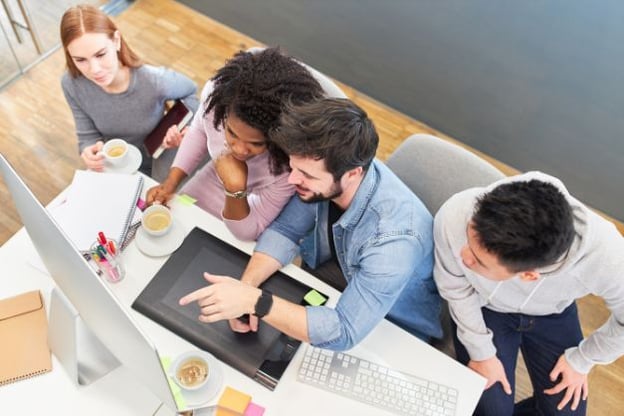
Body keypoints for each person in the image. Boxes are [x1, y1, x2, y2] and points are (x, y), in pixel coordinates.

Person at [178, 98, 442, 350]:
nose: (292, 179)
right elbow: (286, 231)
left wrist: (256, 302)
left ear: (352, 174)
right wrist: (245, 288)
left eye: (305, 174)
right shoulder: (330, 173)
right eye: (294, 167)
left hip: (393, 326)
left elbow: (344, 330)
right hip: (338, 273)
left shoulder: (394, 241)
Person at [433, 171, 624, 416]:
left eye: (479, 261)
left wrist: (582, 360)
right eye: (469, 240)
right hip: (486, 307)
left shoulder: (610, 258)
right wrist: (482, 353)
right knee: (490, 409)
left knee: (566, 411)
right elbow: (455, 289)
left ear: (529, 276)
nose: (463, 257)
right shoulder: (457, 213)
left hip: (552, 313)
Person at [146, 47, 324, 241]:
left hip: (247, 206)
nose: (238, 150)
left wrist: (235, 189)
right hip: (212, 178)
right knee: (175, 225)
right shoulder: (218, 100)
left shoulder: (290, 165)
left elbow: (249, 231)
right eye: (231, 132)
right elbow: (199, 130)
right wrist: (171, 182)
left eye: (256, 143)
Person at [60, 4, 199, 181]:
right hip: (115, 164)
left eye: (101, 54)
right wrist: (88, 149)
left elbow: (192, 92)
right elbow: (87, 135)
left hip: (157, 161)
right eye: (80, 60)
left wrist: (179, 127)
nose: (94, 70)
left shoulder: (153, 81)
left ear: (116, 41)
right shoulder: (72, 84)